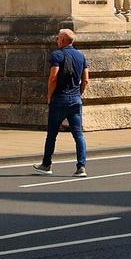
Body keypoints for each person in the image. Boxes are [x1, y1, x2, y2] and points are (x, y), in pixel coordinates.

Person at [31, 28, 89, 177]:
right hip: (75, 100)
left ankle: (46, 164)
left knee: (51, 135)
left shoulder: (57, 55)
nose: (56, 40)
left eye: (57, 38)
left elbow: (53, 77)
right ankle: (81, 166)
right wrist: (78, 94)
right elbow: (86, 79)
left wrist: (49, 96)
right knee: (78, 135)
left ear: (63, 40)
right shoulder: (81, 56)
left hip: (59, 100)